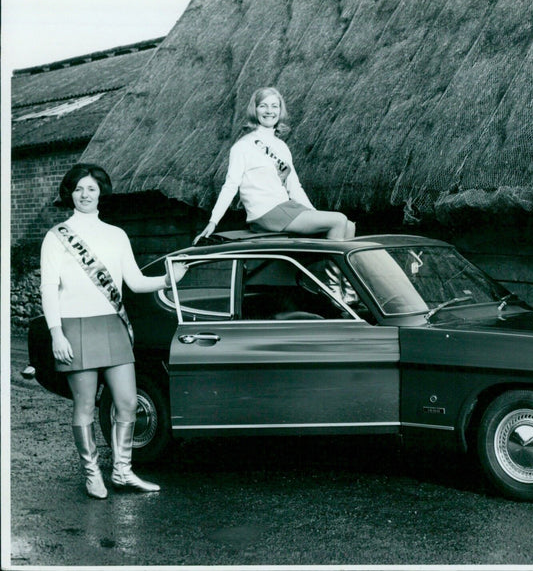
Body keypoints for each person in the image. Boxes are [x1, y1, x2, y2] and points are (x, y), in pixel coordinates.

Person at [40, 163, 187, 499]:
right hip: (75, 327)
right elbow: (48, 289)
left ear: (101, 192)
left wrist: (168, 279)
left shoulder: (116, 235)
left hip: (112, 325)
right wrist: (56, 333)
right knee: (85, 406)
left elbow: (134, 282)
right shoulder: (56, 237)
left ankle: (122, 471)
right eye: (78, 189)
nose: (85, 194)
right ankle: (93, 474)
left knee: (125, 402)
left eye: (91, 188)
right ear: (70, 194)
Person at [193, 87, 355, 244]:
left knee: (348, 225)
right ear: (254, 110)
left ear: (280, 111)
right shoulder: (243, 146)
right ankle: (329, 272)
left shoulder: (281, 146)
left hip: (286, 208)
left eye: (274, 106)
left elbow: (294, 187)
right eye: (263, 106)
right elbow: (230, 185)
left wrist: (314, 214)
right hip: (265, 212)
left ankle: (327, 271)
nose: (269, 111)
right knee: (339, 220)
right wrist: (213, 221)